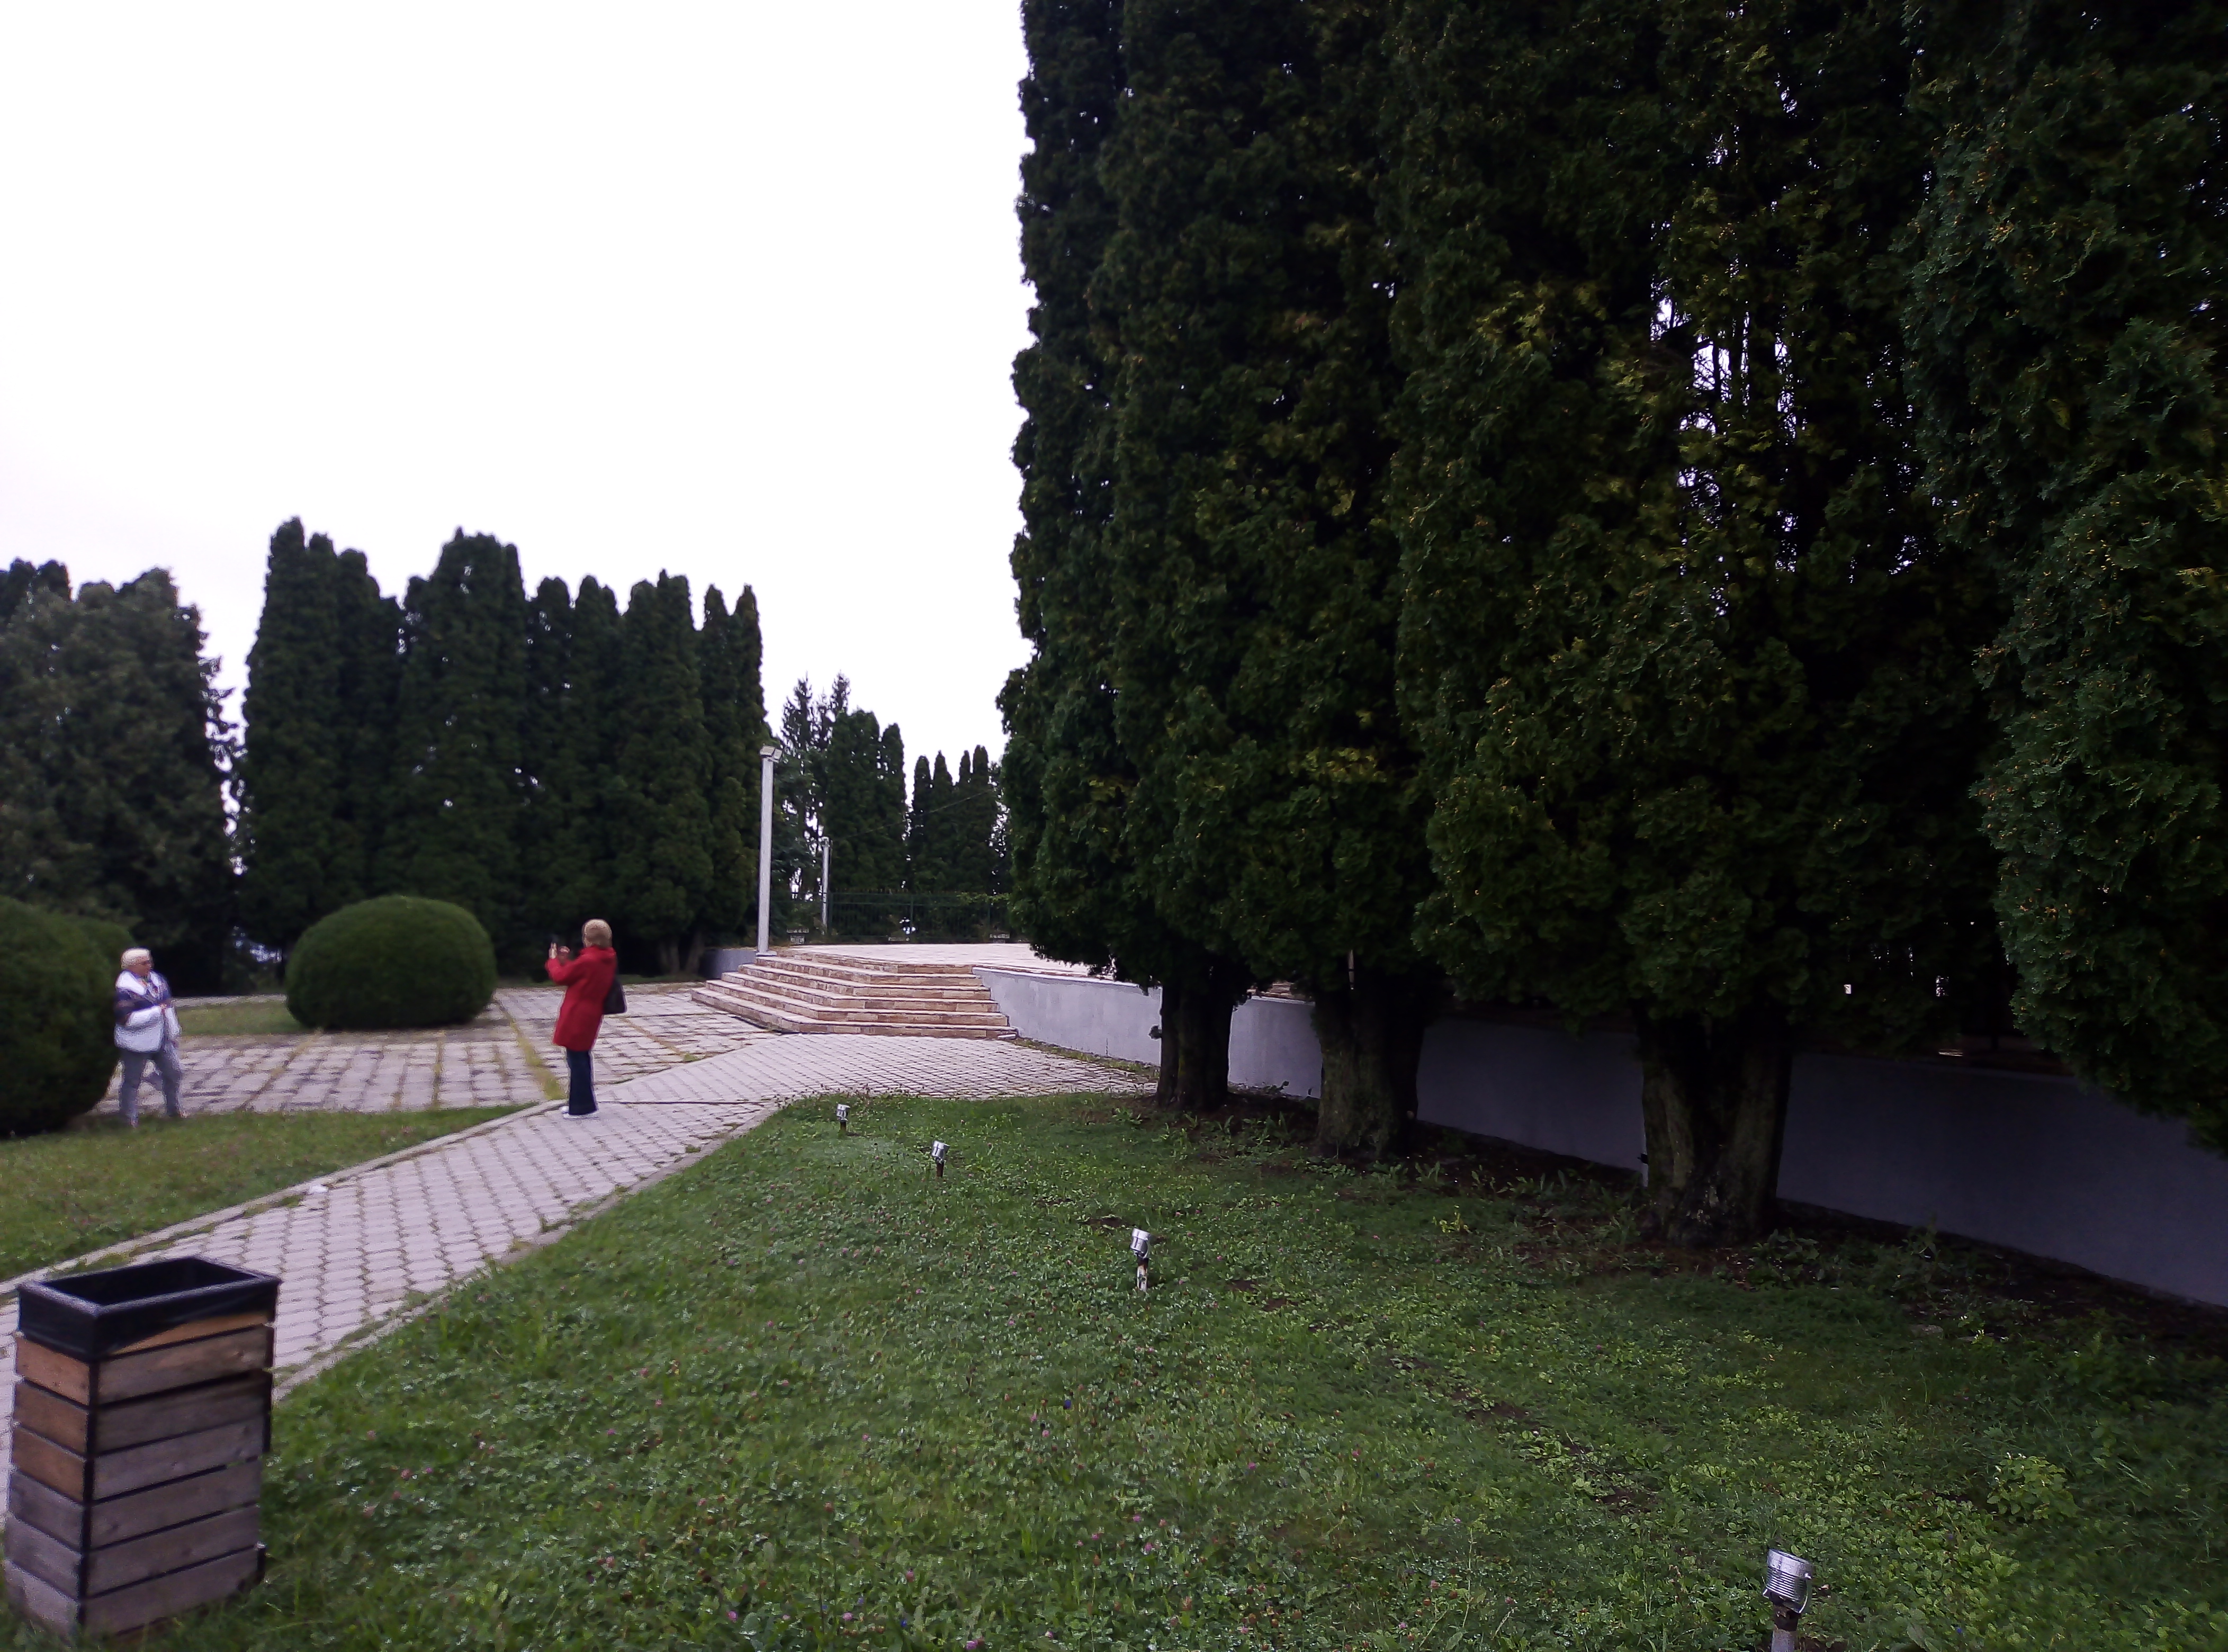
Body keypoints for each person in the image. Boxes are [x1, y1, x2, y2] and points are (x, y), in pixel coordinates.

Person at [546, 919, 618, 1118]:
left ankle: (581, 1107)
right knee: (582, 1057)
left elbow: (561, 977)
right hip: (592, 1013)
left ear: (588, 939)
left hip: (577, 1013)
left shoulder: (588, 960)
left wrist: (553, 961)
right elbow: (576, 974)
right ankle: (582, 1103)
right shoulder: (607, 958)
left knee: (576, 1060)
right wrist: (565, 961)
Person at [114, 947, 183, 1126]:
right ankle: (129, 1119)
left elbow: (168, 1008)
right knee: (132, 1080)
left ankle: (174, 1111)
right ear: (132, 966)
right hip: (136, 1042)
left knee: (174, 1073)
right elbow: (126, 1020)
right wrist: (155, 1012)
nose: (149, 965)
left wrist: (173, 1031)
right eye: (144, 963)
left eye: (149, 961)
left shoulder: (158, 981)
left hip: (162, 1037)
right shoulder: (124, 989)